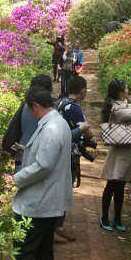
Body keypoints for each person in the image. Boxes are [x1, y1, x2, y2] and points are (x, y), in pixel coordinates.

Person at [0, 86, 73, 260]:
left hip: (39, 202)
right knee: (43, 250)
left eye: (30, 110)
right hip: (50, 201)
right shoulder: (58, 123)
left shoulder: (51, 128)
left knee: (23, 250)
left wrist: (16, 178)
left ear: (36, 106)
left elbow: (44, 165)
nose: (30, 114)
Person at [99, 78, 131, 232]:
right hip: (119, 154)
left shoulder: (121, 104)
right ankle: (104, 218)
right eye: (127, 89)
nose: (128, 90)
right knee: (112, 184)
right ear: (120, 94)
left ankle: (117, 219)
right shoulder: (118, 109)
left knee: (120, 186)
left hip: (124, 152)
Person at [52, 75, 96, 243]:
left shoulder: (60, 102)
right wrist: (89, 134)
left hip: (57, 150)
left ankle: (54, 226)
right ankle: (57, 227)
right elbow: (87, 131)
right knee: (65, 189)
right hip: (69, 154)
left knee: (58, 188)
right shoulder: (75, 108)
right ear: (82, 90)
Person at [2, 74, 54, 171]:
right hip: (37, 164)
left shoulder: (25, 106)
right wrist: (79, 130)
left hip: (21, 159)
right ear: (49, 90)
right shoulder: (51, 112)